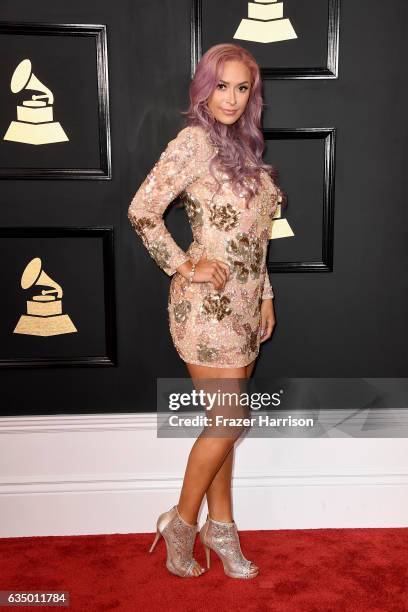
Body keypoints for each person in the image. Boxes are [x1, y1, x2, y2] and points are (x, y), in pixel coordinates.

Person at [127, 43, 283, 579]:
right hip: (204, 308)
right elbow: (143, 209)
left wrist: (265, 294)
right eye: (222, 86)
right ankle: (182, 522)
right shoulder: (193, 142)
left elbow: (254, 241)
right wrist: (183, 265)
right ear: (204, 88)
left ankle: (223, 529)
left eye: (243, 88)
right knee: (230, 419)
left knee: (224, 423)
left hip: (242, 308)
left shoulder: (247, 148)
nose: (232, 98)